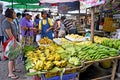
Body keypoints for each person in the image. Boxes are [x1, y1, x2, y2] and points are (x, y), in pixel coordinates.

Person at [2, 8, 19, 79]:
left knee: (14, 56)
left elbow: (15, 31)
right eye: (14, 13)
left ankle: (13, 69)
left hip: (14, 41)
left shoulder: (13, 21)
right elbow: (9, 34)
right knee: (11, 58)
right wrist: (14, 42)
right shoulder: (6, 22)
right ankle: (10, 73)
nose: (15, 14)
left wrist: (17, 39)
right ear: (10, 14)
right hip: (10, 42)